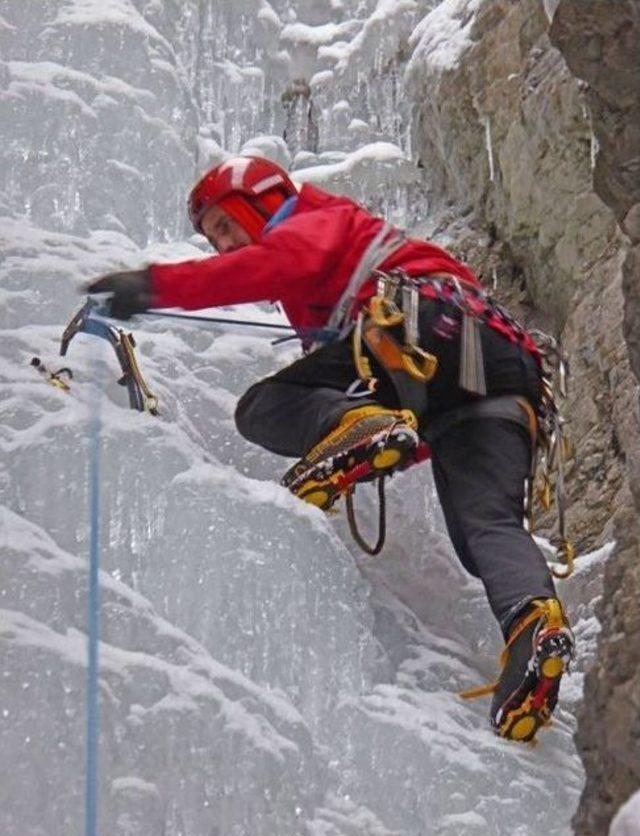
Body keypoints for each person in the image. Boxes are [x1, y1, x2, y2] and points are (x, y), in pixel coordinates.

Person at [87, 155, 574, 743]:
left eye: (222, 226)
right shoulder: (345, 255)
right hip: (496, 372)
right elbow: (411, 431)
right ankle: (534, 632)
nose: (220, 244)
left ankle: (355, 424)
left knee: (265, 406)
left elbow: (280, 262)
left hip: (423, 331)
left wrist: (156, 286)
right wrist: (384, 438)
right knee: (485, 527)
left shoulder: (314, 218)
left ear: (260, 202)